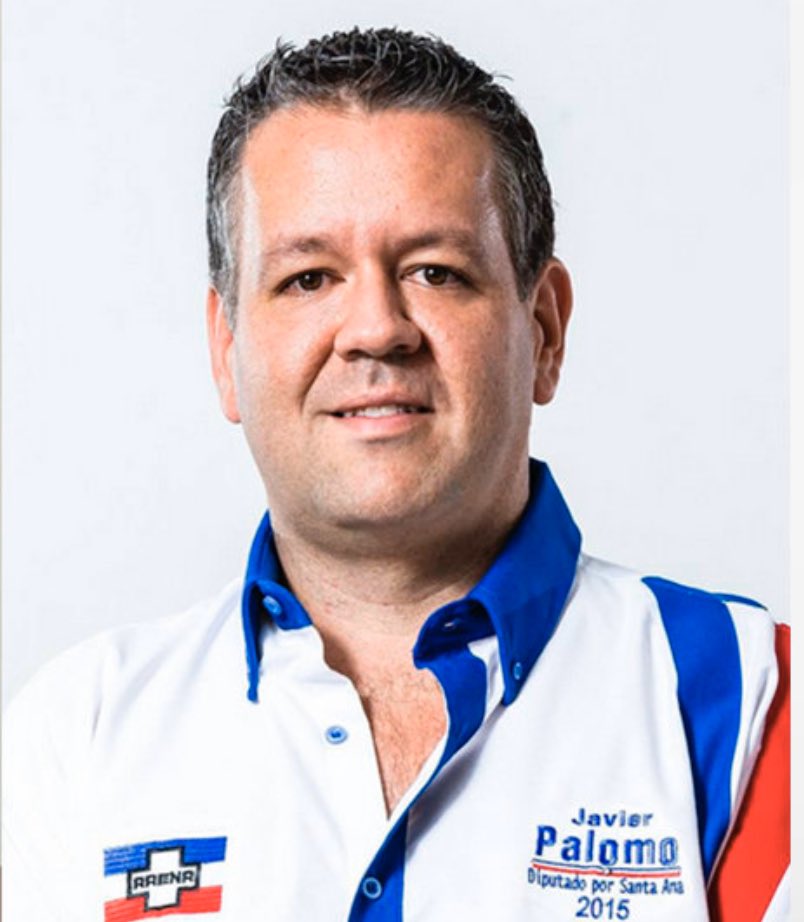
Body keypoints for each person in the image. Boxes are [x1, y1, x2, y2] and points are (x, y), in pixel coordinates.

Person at [3, 27, 788, 922]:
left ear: (544, 330)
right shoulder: (79, 736)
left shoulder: (750, 701)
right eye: (308, 279)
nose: (377, 328)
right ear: (226, 351)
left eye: (435, 272)